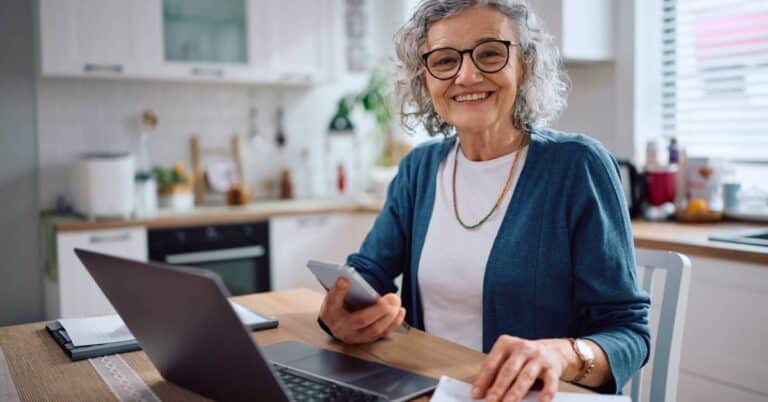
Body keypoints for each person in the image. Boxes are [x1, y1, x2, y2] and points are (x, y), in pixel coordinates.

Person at [318, 1, 650, 401]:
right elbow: (368, 272)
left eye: (490, 53)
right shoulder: (419, 169)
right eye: (444, 60)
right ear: (425, 78)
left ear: (523, 65)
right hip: (426, 390)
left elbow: (627, 332)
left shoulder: (577, 165)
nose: (467, 74)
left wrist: (560, 354)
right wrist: (340, 312)